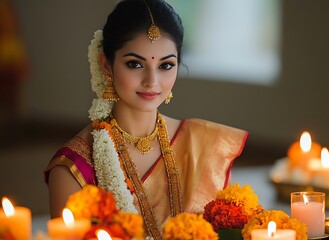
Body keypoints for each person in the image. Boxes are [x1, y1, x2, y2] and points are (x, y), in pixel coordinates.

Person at [44, 0, 248, 238]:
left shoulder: (205, 146)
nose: (152, 81)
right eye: (135, 64)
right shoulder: (74, 168)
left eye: (166, 65)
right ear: (106, 65)